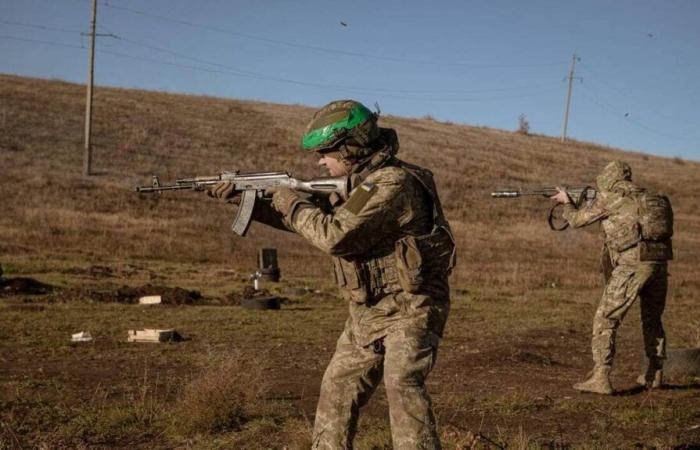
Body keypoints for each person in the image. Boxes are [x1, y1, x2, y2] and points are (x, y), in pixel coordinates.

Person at [209, 100, 455, 449]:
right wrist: (244, 199)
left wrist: (288, 199)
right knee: (338, 388)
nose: (319, 161)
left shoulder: (392, 183)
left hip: (411, 306)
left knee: (402, 385)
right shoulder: (359, 183)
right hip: (368, 310)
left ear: (351, 148)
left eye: (325, 153)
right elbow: (309, 223)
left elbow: (333, 236)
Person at [550, 161, 673, 394]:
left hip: (632, 264)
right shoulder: (646, 197)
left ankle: (601, 376)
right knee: (652, 319)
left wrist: (566, 204)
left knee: (606, 317)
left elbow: (576, 221)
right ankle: (654, 373)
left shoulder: (611, 198)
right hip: (658, 262)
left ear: (608, 178)